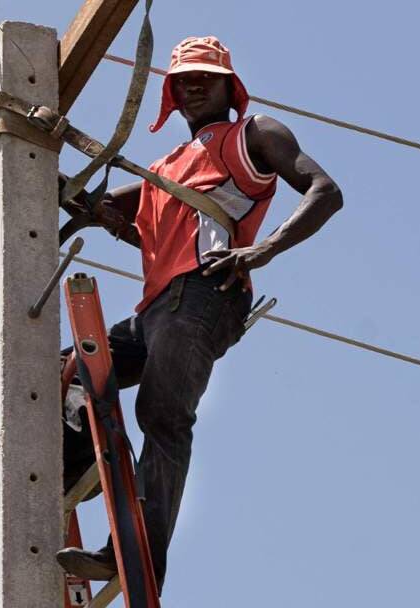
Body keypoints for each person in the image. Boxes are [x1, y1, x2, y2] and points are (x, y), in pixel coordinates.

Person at [55, 35, 344, 593]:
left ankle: (134, 551)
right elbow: (101, 207)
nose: (192, 86)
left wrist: (262, 250)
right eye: (183, 79)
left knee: (163, 415)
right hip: (156, 308)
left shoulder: (253, 134)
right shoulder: (164, 168)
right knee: (64, 373)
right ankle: (75, 468)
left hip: (206, 293)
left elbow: (325, 191)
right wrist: (35, 159)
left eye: (205, 77)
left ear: (229, 87)